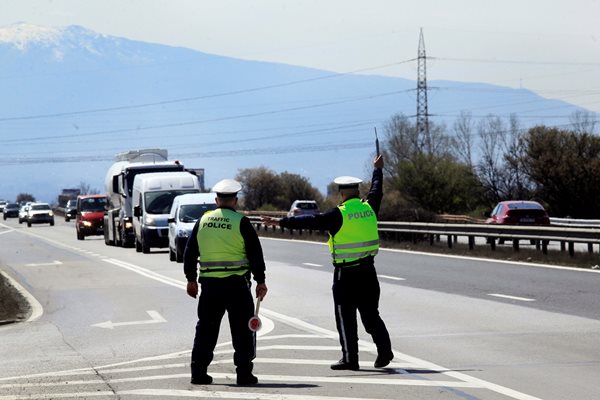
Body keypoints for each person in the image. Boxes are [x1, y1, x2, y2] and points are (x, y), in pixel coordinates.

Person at [262, 155, 393, 370]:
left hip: (346, 274)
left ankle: (351, 359)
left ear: (341, 194)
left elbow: (309, 221)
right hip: (369, 271)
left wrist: (279, 221)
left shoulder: (337, 214)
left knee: (345, 316)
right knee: (371, 315)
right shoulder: (369, 207)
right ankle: (385, 350)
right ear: (358, 192)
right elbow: (377, 190)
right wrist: (378, 170)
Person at [184, 178, 268, 385]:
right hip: (236, 287)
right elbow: (256, 255)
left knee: (206, 329)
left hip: (210, 287)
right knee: (242, 331)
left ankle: (198, 372)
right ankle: (244, 374)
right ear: (235, 201)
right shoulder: (241, 222)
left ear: (216, 200)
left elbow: (189, 252)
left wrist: (191, 280)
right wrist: (261, 281)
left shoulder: (202, 221)